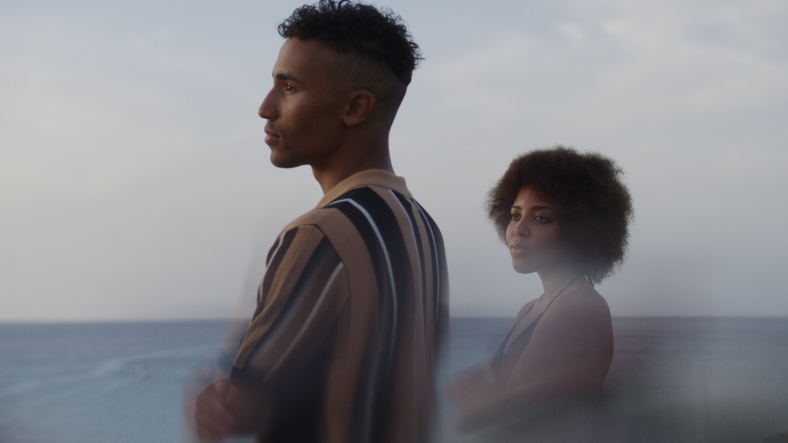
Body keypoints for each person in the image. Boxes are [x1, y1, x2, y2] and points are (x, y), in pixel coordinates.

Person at [191, 1, 449, 442]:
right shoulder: (423, 227)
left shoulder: (321, 234)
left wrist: (206, 397)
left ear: (355, 108)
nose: (265, 107)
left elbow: (239, 409)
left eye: (288, 87)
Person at [447, 146, 632, 431]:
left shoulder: (577, 306)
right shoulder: (532, 309)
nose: (518, 229)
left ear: (578, 231)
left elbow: (507, 413)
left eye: (540, 218)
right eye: (514, 215)